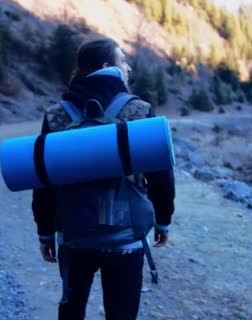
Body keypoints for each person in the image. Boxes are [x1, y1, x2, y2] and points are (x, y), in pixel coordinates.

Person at [31, 36, 176, 320]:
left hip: (73, 233)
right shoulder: (139, 110)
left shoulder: (57, 114)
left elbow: (43, 179)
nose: (128, 68)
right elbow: (160, 174)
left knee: (71, 311)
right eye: (123, 60)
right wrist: (163, 219)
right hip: (126, 235)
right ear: (108, 65)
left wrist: (45, 231)